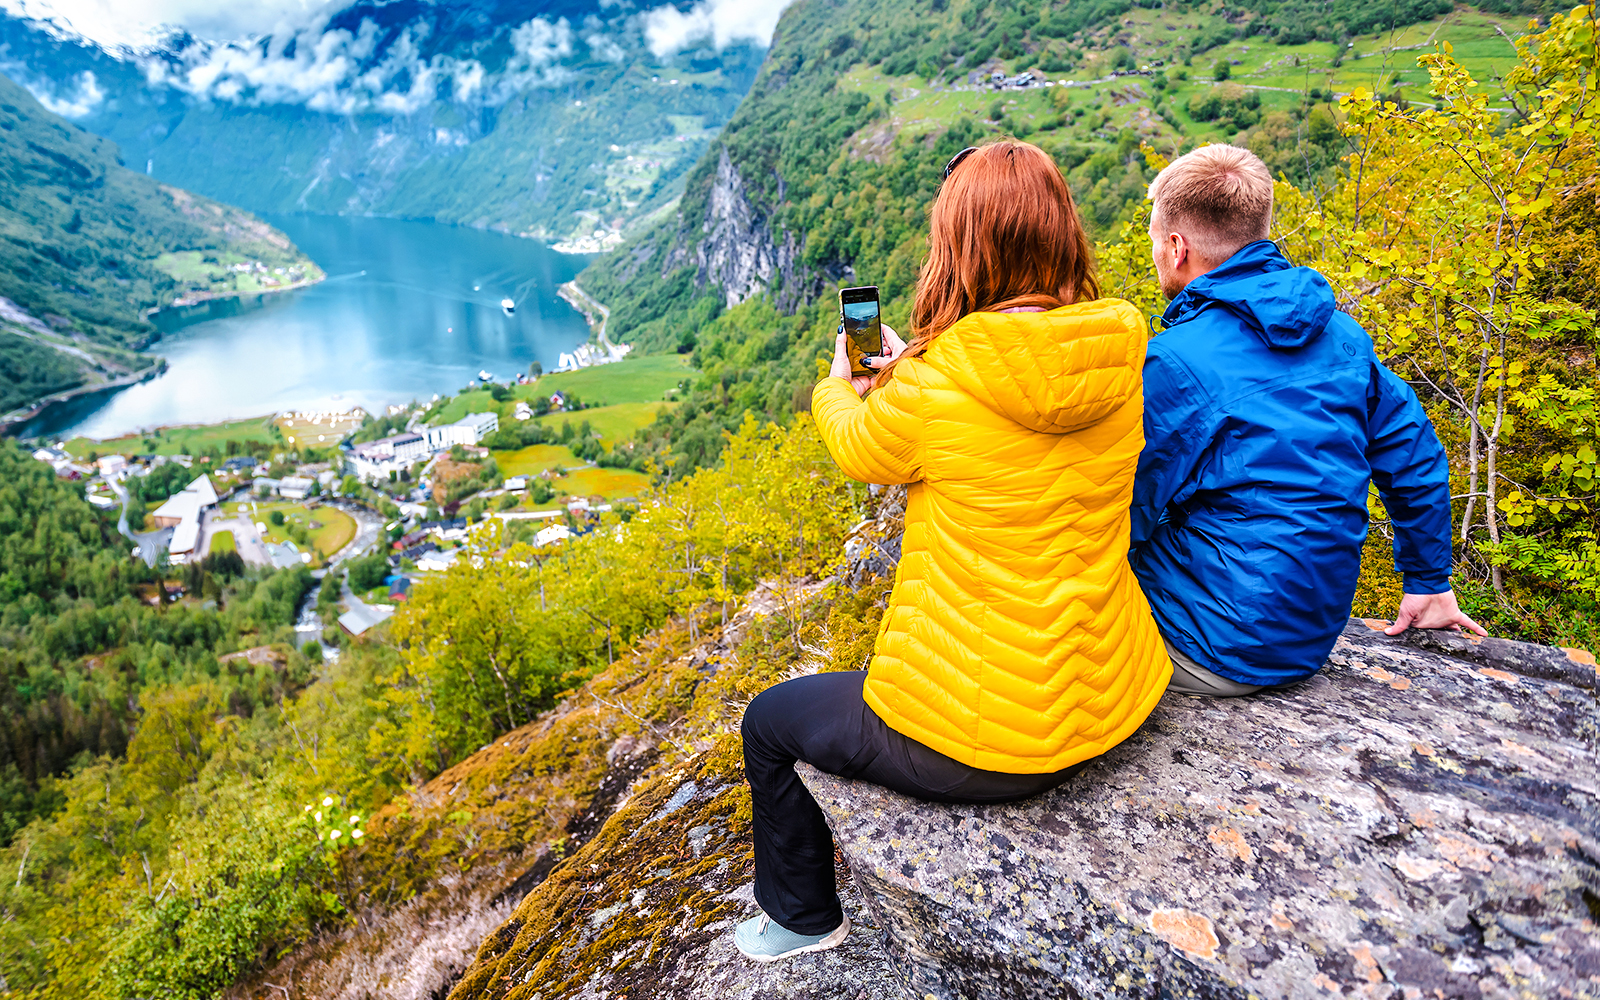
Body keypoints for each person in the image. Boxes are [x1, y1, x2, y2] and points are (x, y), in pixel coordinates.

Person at [733, 141, 1172, 963]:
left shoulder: (936, 383)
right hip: (1110, 701)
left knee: (769, 723)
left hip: (986, 744)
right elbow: (1019, 390)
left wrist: (847, 383)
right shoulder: (1121, 356)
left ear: (959, 248)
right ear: (1061, 235)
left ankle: (800, 920)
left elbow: (862, 449)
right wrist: (923, 373)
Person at [1132, 144, 1485, 698]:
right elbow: (1414, 455)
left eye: (1154, 242)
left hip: (1204, 647)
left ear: (1177, 248)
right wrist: (1428, 583)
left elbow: (1122, 501)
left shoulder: (1177, 360)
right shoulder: (1343, 337)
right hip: (1306, 642)